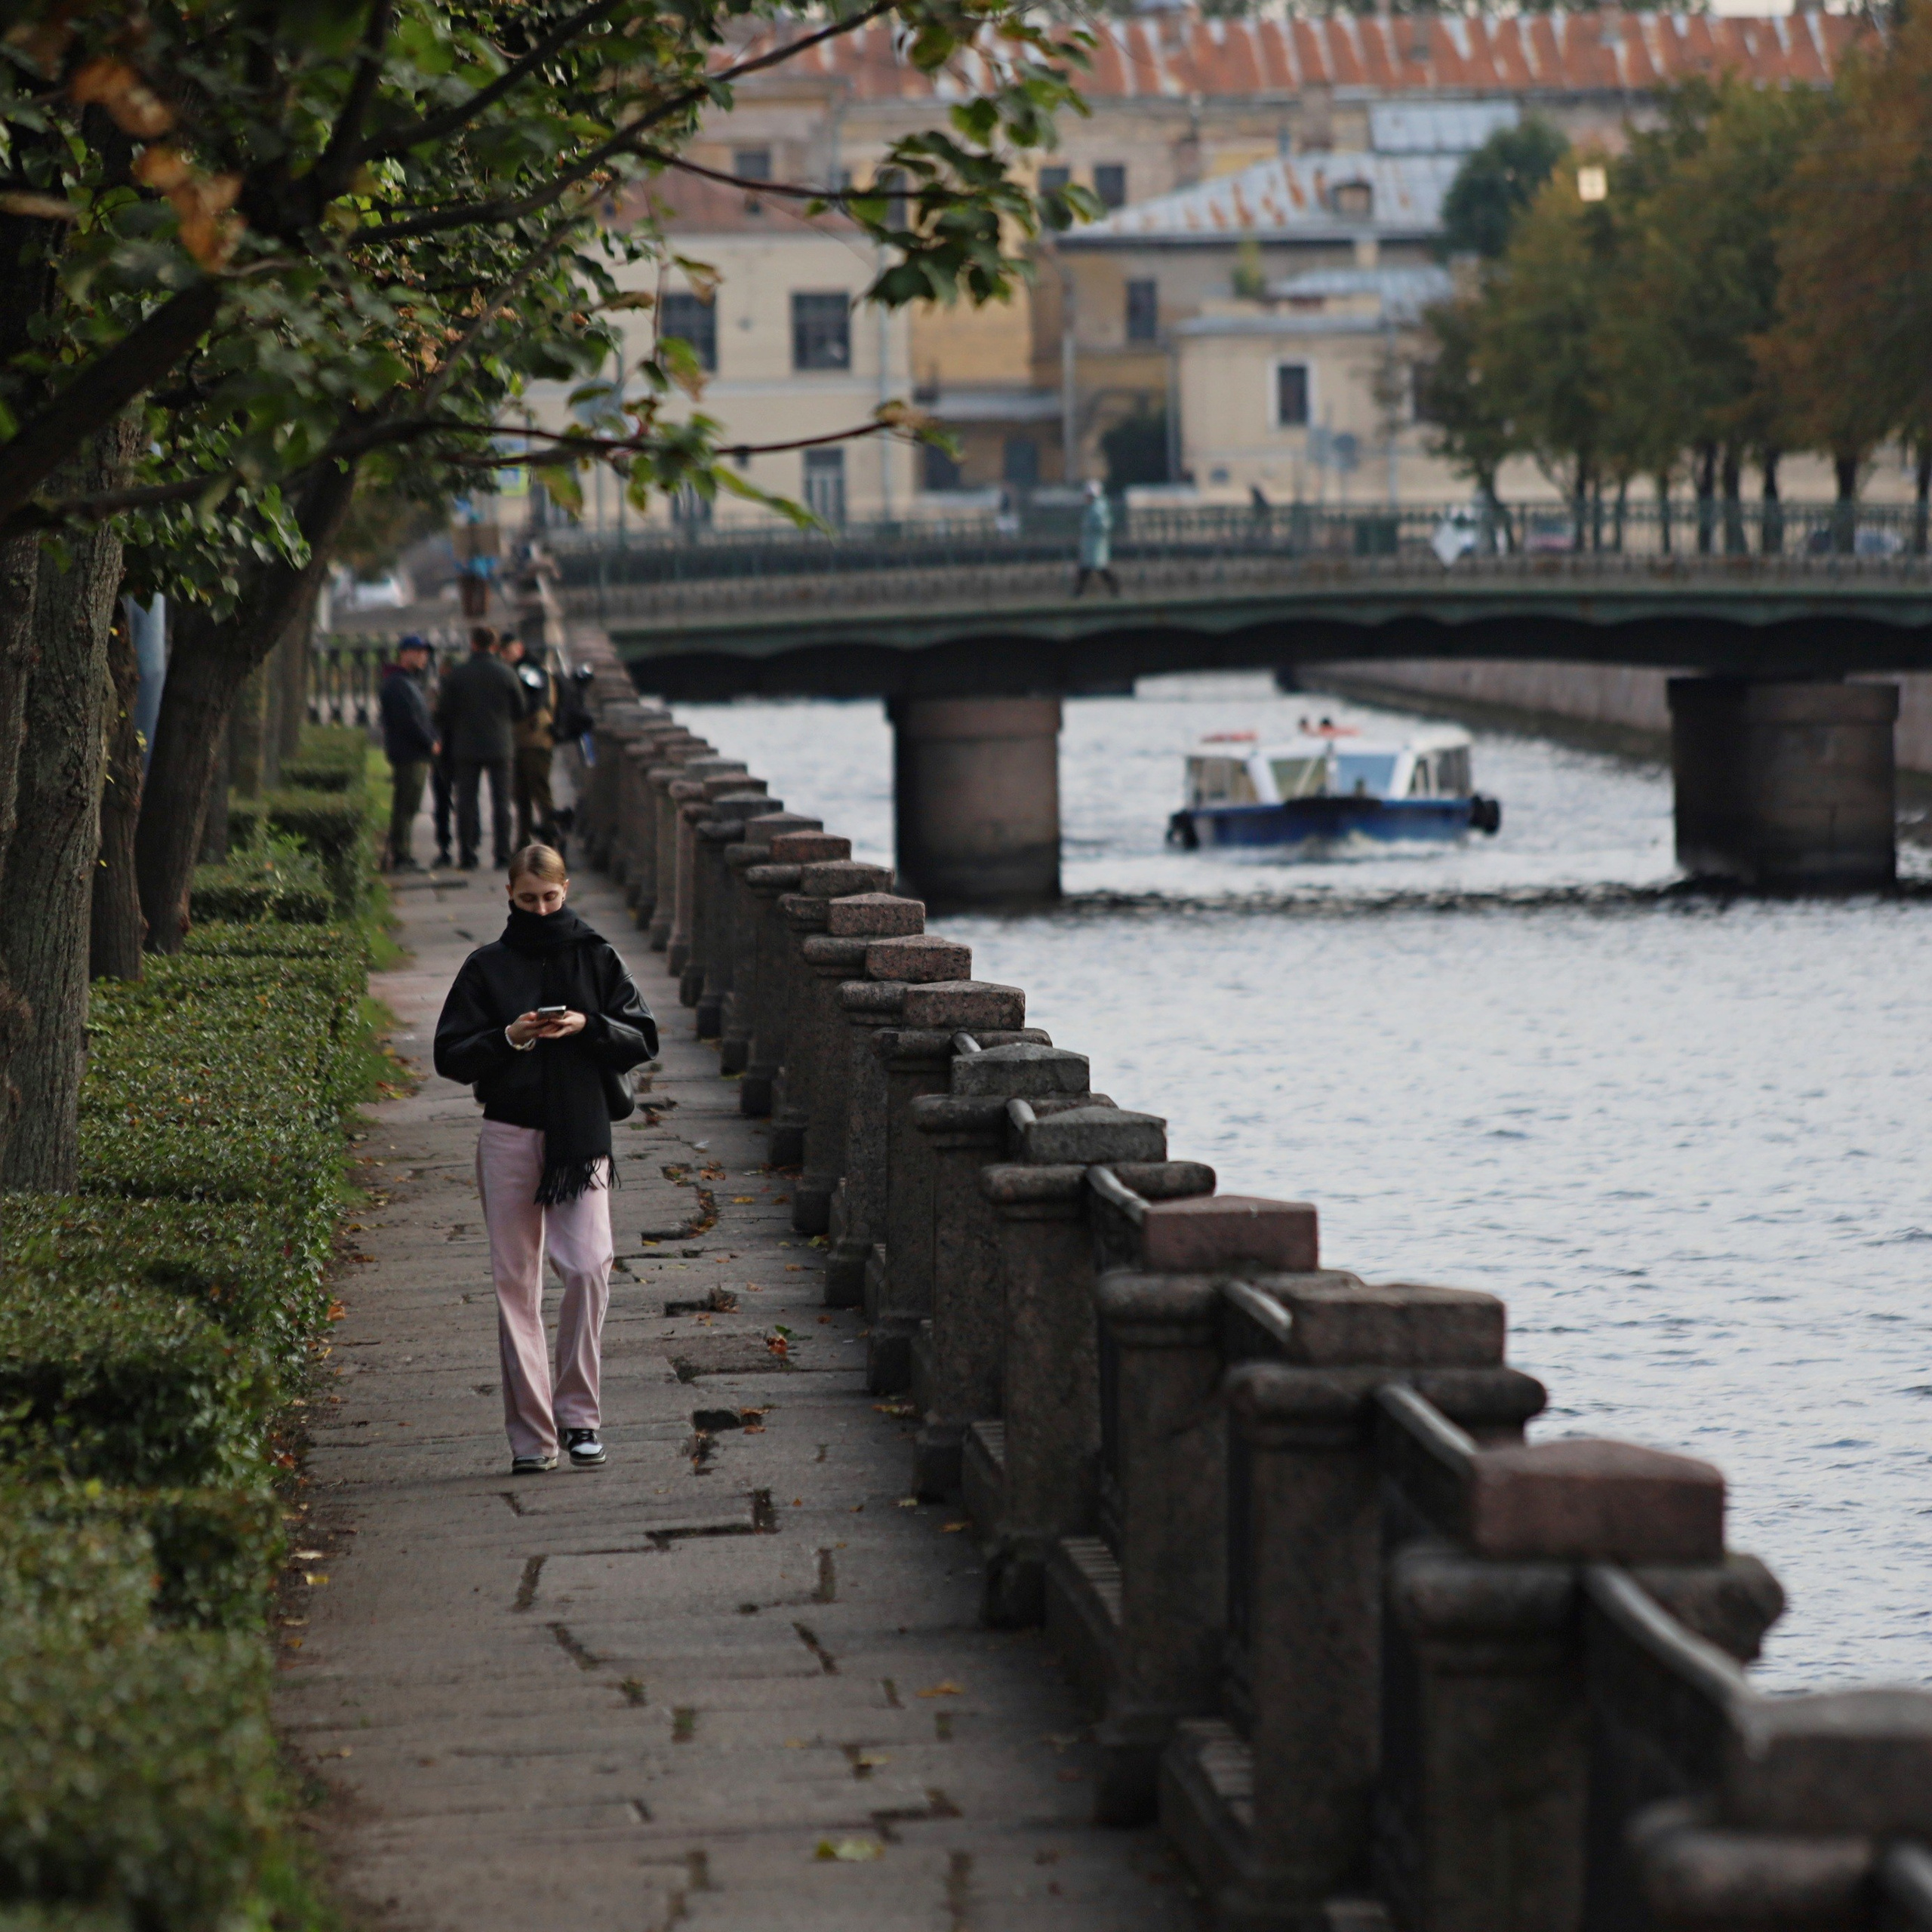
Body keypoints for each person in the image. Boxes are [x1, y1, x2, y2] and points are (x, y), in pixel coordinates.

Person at [432, 844, 658, 1475]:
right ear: (509, 893)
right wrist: (511, 1036)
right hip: (508, 1132)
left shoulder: (597, 955)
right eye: (528, 898)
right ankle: (533, 1439)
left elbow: (643, 1037)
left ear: (566, 890)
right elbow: (449, 1054)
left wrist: (588, 1025)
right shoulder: (487, 967)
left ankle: (580, 1417)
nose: (539, 908)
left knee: (588, 1267)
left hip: (580, 1134)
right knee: (516, 1287)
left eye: (550, 897)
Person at [435, 623, 524, 869]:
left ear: (473, 644)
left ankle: (467, 853)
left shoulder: (458, 674)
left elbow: (444, 713)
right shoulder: (506, 674)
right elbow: (520, 709)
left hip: (466, 746)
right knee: (502, 802)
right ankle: (503, 853)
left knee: (465, 801)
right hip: (500, 745)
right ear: (494, 646)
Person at [378, 635, 438, 869]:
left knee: (410, 804)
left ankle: (403, 851)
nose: (423, 656)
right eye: (418, 651)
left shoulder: (408, 682)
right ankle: (400, 854)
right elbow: (408, 720)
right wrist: (429, 741)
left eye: (424, 652)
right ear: (404, 654)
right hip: (409, 753)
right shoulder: (397, 684)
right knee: (405, 805)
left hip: (415, 752)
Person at [502, 635, 559, 848]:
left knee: (539, 791)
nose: (505, 656)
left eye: (508, 651)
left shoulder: (532, 669)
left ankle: (551, 837)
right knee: (521, 795)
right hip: (520, 740)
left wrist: (515, 712)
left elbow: (537, 702)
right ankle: (523, 840)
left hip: (536, 739)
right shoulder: (516, 670)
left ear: (519, 647)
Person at [1073, 478, 1119, 598]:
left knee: (1097, 569)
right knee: (1090, 569)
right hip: (1091, 545)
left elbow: (1104, 525)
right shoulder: (1094, 507)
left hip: (1096, 544)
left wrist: (1092, 528)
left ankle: (1115, 591)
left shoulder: (1097, 508)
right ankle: (1078, 593)